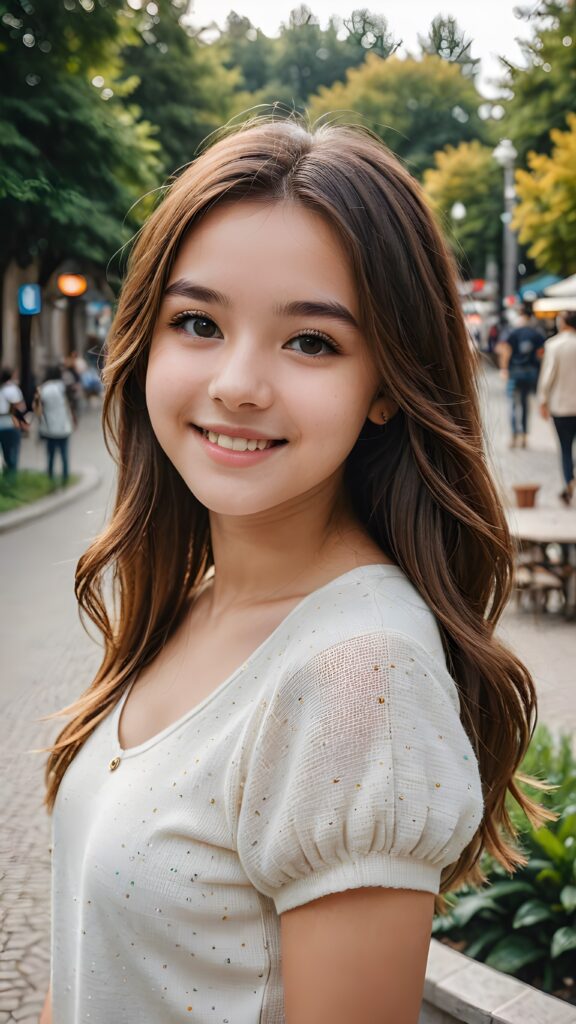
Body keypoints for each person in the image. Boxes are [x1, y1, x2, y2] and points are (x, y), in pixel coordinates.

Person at [41, 118, 552, 1024]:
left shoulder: (359, 675)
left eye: (311, 341)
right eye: (197, 322)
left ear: (390, 381)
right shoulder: (192, 604)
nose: (239, 382)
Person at [537, 310, 576, 505]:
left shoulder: (554, 344)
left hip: (562, 407)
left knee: (566, 448)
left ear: (563, 323)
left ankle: (569, 482)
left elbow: (547, 375)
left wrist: (542, 401)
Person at [498, 304, 545, 448]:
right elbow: (541, 354)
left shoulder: (513, 332)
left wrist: (504, 369)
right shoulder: (536, 333)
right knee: (525, 403)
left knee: (512, 403)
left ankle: (513, 435)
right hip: (530, 372)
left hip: (515, 371)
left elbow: (506, 351)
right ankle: (524, 435)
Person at [34, 365, 75, 484]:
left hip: (49, 428)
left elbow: (38, 409)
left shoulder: (43, 389)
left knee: (50, 455)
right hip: (63, 426)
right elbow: (71, 404)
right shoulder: (63, 387)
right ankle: (65, 477)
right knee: (64, 455)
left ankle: (50, 477)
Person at [0, 366, 27, 478]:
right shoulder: (13, 389)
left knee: (5, 454)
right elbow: (20, 407)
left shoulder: (1, 389)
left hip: (1, 425)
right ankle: (12, 479)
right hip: (12, 424)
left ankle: (7, 478)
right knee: (13, 454)